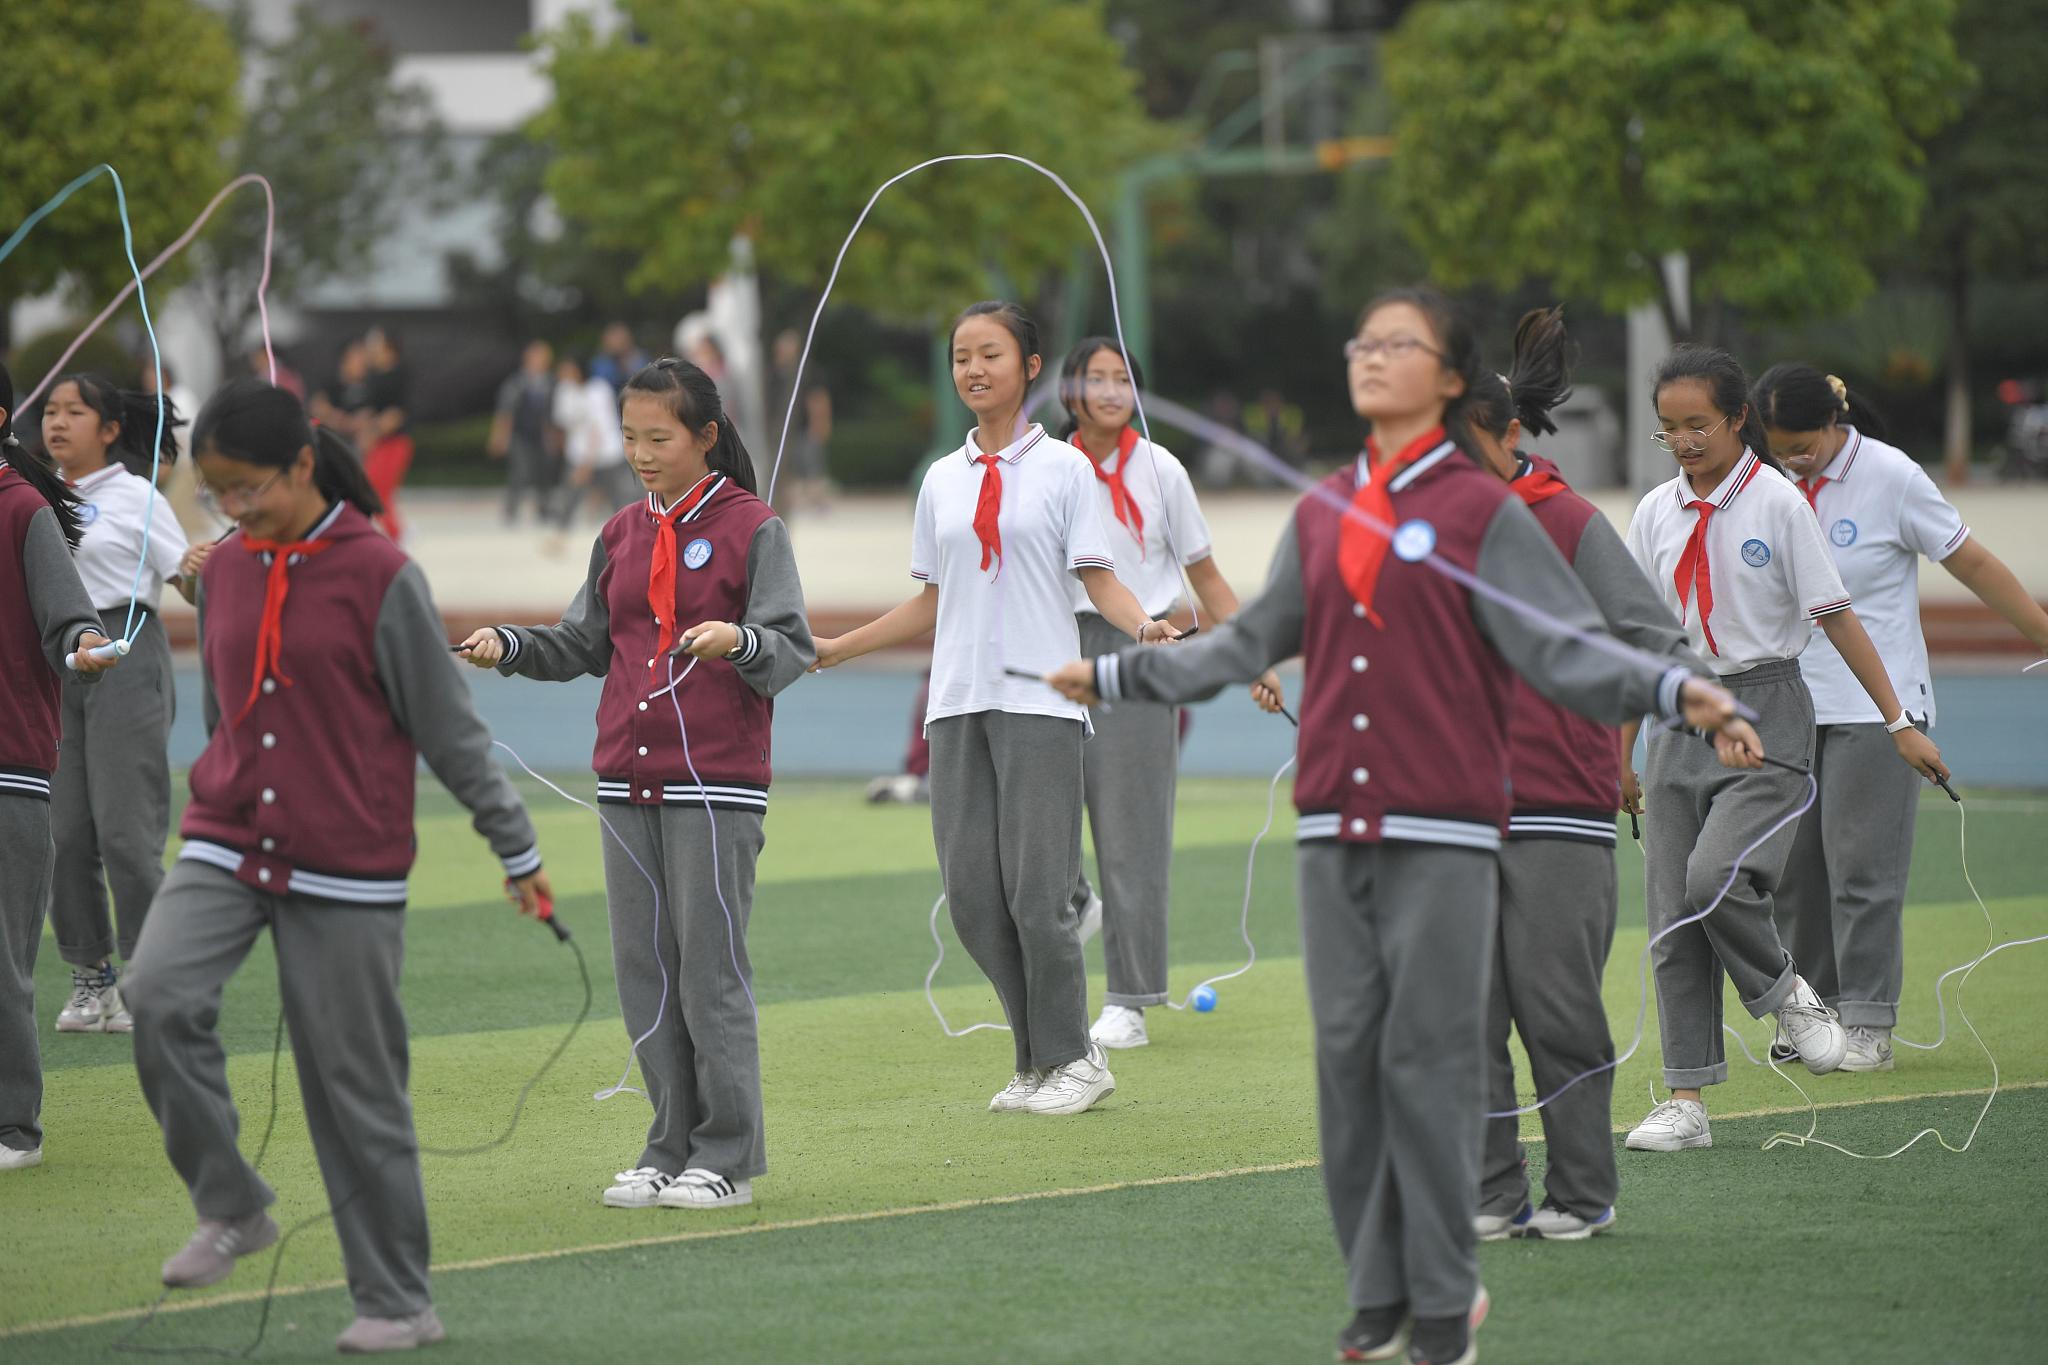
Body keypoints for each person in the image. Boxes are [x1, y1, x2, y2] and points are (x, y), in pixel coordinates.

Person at [1045, 286, 1753, 1365]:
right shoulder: (1326, 507)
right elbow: (1242, 646)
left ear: (1451, 378)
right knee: (1348, 1069)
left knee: (1430, 1063)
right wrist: (1113, 675)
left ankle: (1439, 1303)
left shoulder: (1485, 513)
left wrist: (1673, 695)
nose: (1372, 357)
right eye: (1362, 341)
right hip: (1333, 831)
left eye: (1400, 344)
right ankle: (1376, 1294)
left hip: (1448, 834)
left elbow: (1565, 647)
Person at [122, 379, 550, 1353]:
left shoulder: (381, 574)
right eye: (215, 493)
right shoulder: (224, 569)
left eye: (248, 489)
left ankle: (398, 1300)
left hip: (346, 864)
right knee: (157, 995)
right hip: (226, 839)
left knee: (351, 1086)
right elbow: (227, 713)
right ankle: (233, 1203)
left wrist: (514, 847)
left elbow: (449, 729)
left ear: (304, 465)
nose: (232, 510)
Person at [460, 357, 811, 1212]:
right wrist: (509, 645)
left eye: (660, 437)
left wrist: (740, 640)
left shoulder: (753, 527)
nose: (641, 454)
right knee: (644, 971)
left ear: (706, 436)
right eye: (630, 438)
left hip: (716, 784)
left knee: (709, 975)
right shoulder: (620, 532)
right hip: (624, 779)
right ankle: (669, 1144)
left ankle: (727, 1158)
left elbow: (791, 645)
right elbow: (585, 643)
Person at [812, 301, 1176, 1119]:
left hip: (1041, 704)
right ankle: (1038, 1059)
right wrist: (839, 646)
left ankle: (1074, 1059)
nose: (973, 369)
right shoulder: (941, 477)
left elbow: (1100, 580)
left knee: (1039, 896)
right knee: (975, 899)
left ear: (1031, 367)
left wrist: (1146, 624)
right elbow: (931, 603)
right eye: (960, 357)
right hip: (956, 707)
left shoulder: (1067, 470)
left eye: (991, 354)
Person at [1618, 345, 1949, 1154]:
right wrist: (1614, 754)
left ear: (1737, 420)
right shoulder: (1656, 511)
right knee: (1672, 918)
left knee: (1715, 876)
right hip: (1675, 714)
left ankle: (1788, 997)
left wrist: (1898, 720)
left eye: (1699, 424)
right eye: (1669, 429)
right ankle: (1686, 1099)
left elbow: (1838, 618)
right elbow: (1632, 643)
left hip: (1768, 707)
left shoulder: (1776, 503)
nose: (1685, 441)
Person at [1459, 310, 1708, 1242]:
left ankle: (1581, 1191)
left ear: (1508, 434)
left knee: (1555, 1007)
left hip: (1556, 803)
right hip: (1449, 810)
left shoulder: (1565, 521)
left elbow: (1654, 639)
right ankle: (1490, 1189)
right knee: (1466, 1011)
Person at [1755, 364, 2048, 1071]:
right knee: (1793, 871)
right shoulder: (1763, 483)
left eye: (1802, 444)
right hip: (1789, 702)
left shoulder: (1892, 476)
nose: (1791, 458)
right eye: (1778, 445)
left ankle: (1867, 1024)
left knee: (1861, 867)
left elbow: (1971, 561)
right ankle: (1813, 1015)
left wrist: (2041, 631)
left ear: (1833, 421)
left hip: (1877, 707)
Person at [1053, 335, 1284, 1050]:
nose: (1112, 390)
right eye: (1097, 378)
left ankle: (1129, 997)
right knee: (1033, 811)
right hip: (1051, 644)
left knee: (1133, 829)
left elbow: (1207, 579)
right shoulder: (1045, 465)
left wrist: (1256, 656)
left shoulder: (1162, 471)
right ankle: (1078, 902)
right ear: (1069, 391)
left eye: (1124, 379)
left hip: (1141, 649)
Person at [39, 375, 196, 1035]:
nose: (57, 422)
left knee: (127, 833)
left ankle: (149, 978)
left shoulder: (137, 497)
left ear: (109, 430)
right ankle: (91, 978)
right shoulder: (31, 494)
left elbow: (187, 577)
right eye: (49, 410)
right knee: (65, 834)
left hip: (126, 656)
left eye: (75, 411)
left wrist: (218, 573)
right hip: (56, 663)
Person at [0, 361, 121, 1172]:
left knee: (2, 957)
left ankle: (14, 1128)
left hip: (8, 767)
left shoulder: (21, 508)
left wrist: (81, 644)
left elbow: (68, 615)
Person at [549, 355, 640, 532]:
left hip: (606, 453)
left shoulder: (598, 390)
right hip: (578, 454)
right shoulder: (564, 391)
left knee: (619, 497)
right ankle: (560, 533)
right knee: (570, 495)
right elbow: (564, 425)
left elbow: (598, 430)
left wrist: (587, 464)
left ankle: (629, 532)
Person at [488, 340, 561, 526]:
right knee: (520, 471)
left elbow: (554, 412)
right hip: (520, 434)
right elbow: (505, 411)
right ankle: (511, 508)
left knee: (545, 471)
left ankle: (544, 507)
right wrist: (500, 436)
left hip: (542, 435)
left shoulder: (551, 382)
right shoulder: (517, 382)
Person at [766, 328, 834, 516]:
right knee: (787, 467)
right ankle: (791, 503)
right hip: (783, 430)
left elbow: (818, 399)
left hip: (805, 428)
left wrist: (819, 424)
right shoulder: (773, 373)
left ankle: (819, 502)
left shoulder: (808, 371)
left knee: (813, 465)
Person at [361, 328, 412, 541]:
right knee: (370, 489)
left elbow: (396, 414)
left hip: (395, 441)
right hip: (378, 442)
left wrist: (374, 431)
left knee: (380, 492)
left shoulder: (400, 374)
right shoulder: (372, 376)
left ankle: (396, 533)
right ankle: (392, 531)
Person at [588, 322, 649, 396]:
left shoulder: (639, 358)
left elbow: (643, 383)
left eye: (620, 338)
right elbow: (601, 385)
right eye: (614, 338)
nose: (617, 342)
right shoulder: (600, 362)